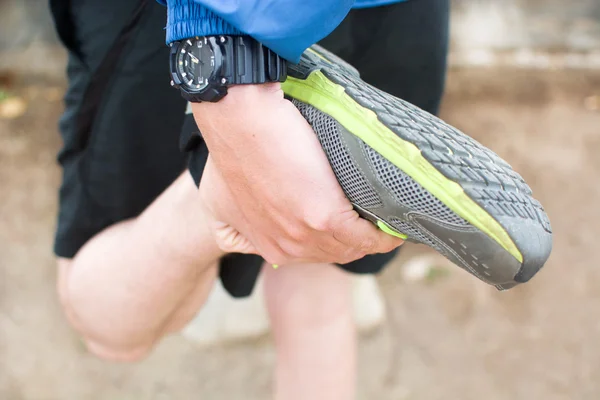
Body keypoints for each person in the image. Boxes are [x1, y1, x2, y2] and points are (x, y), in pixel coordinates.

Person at [49, 0, 449, 398]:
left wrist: (205, 33)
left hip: (207, 15)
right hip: (389, 11)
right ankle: (248, 198)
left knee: (111, 329)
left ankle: (217, 202)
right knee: (318, 271)